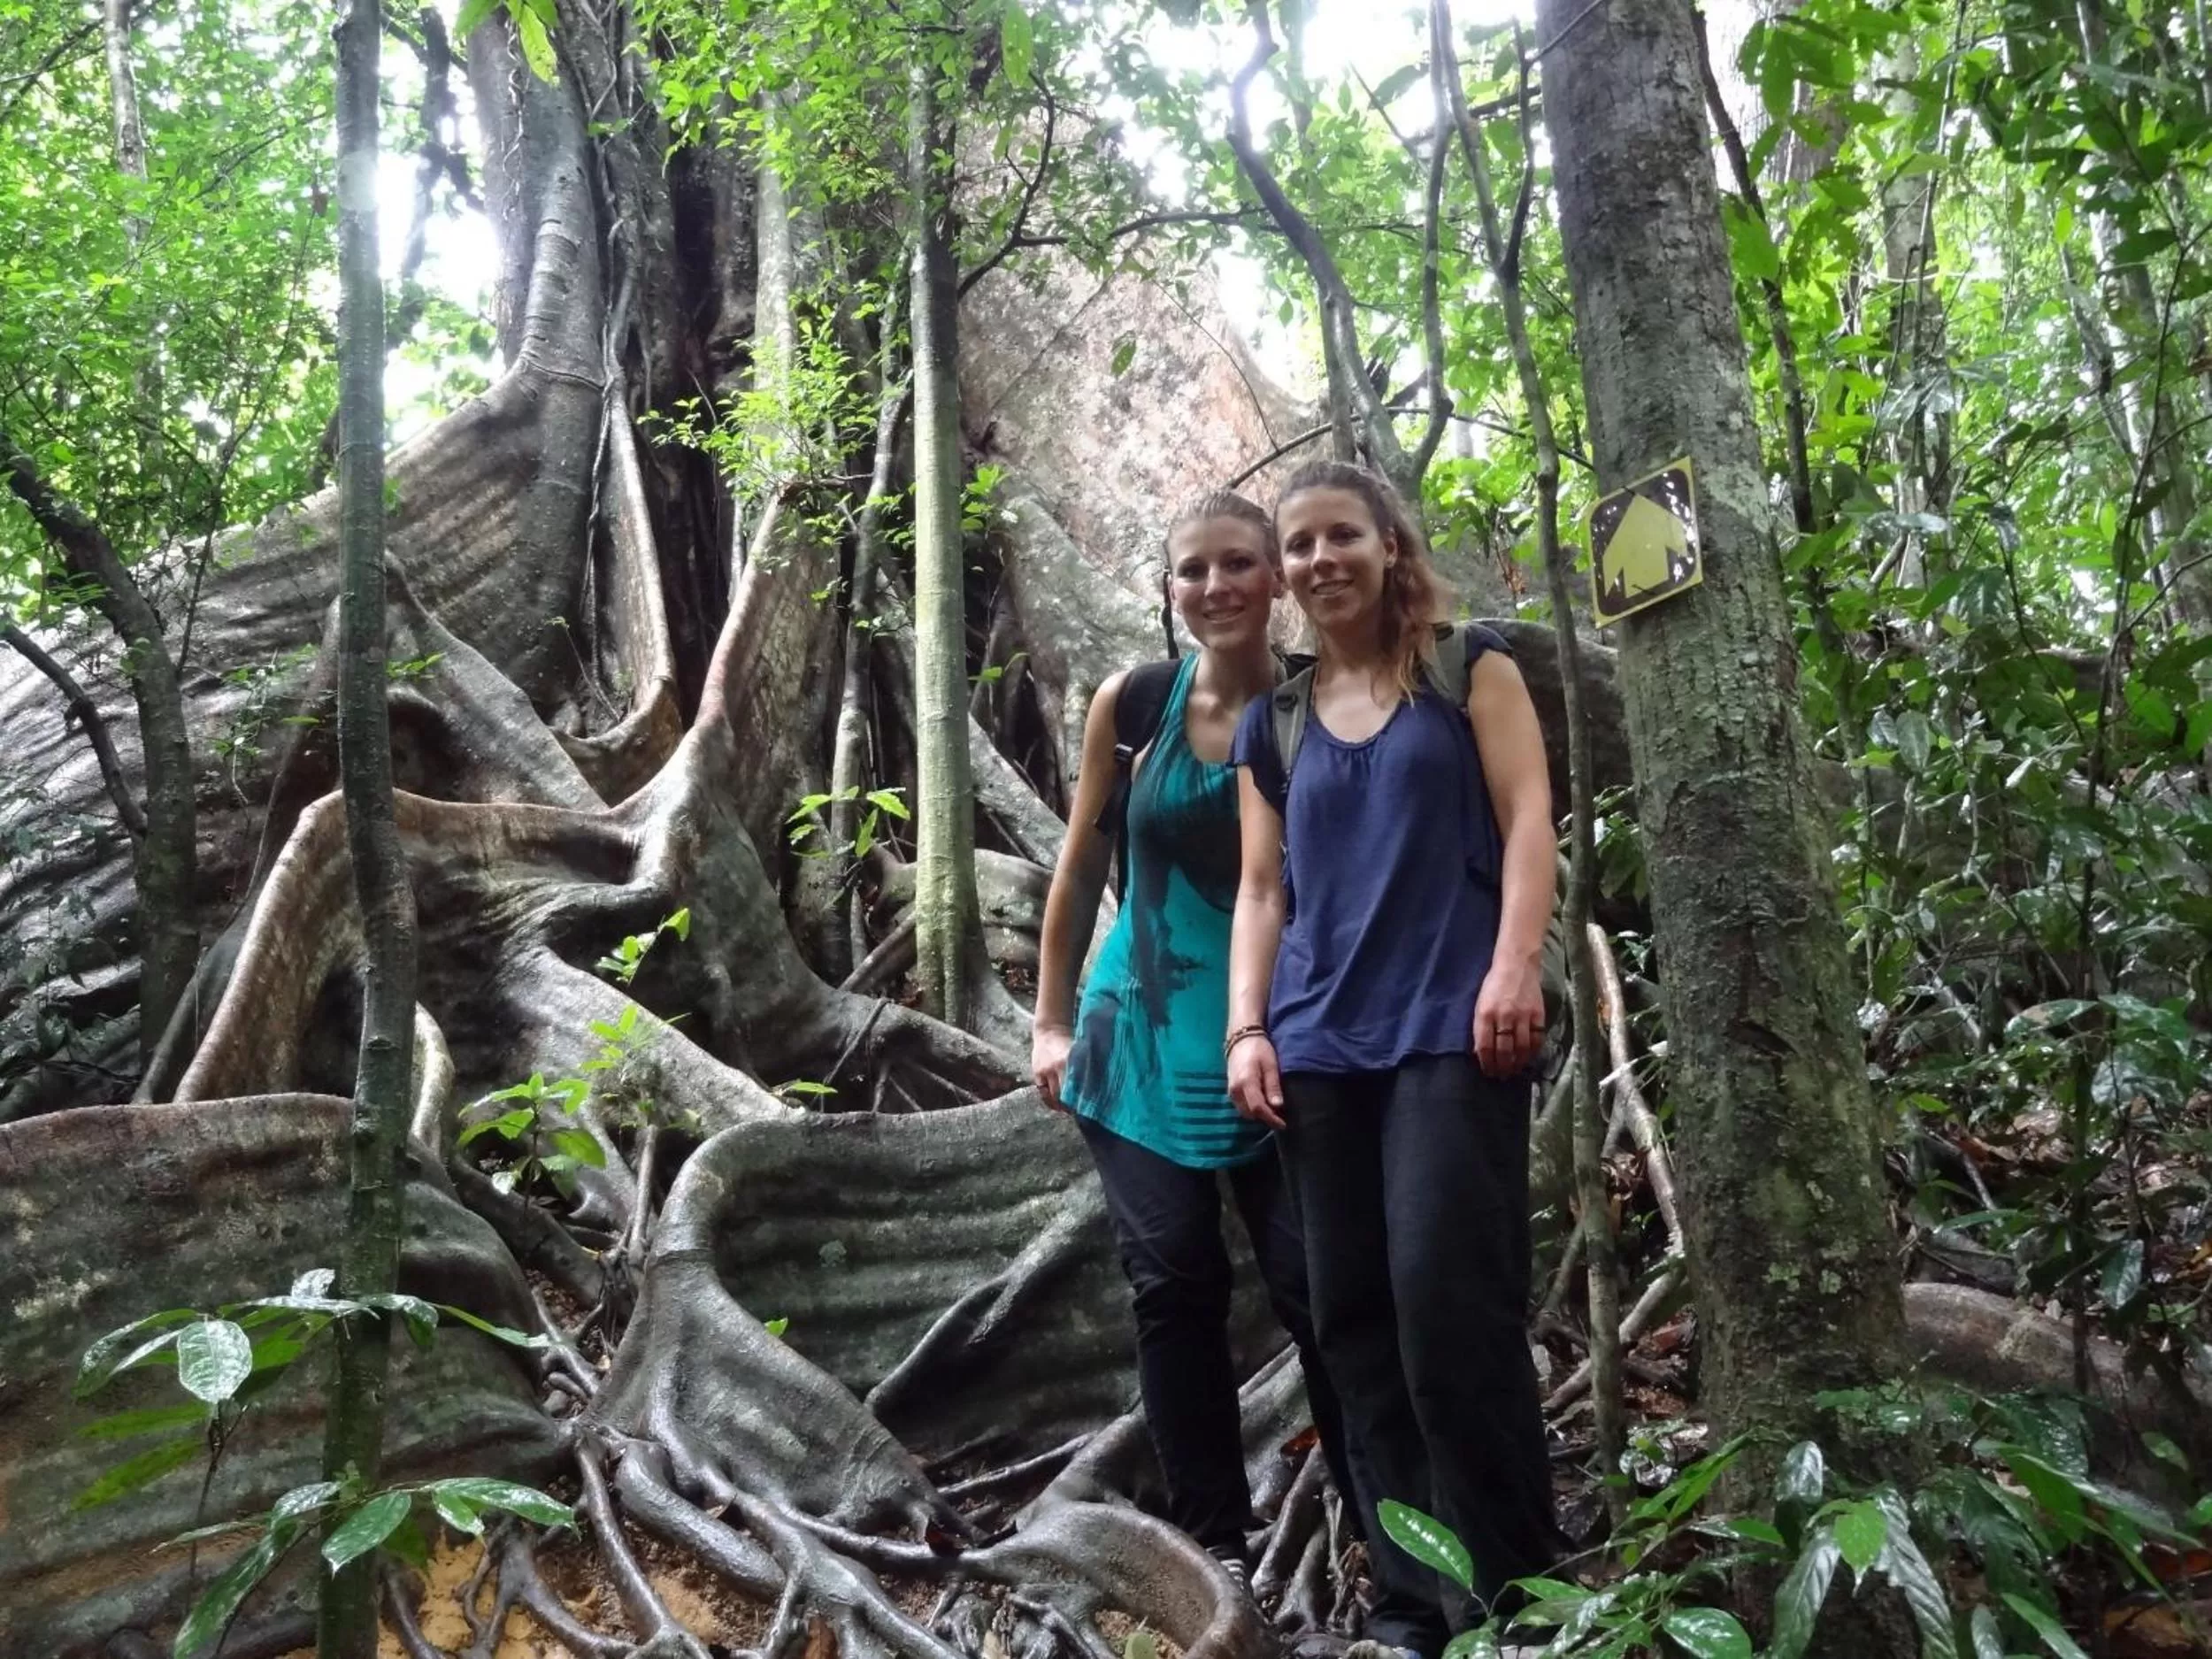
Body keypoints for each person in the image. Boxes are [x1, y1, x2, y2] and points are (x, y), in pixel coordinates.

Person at [1225, 460, 1560, 1655]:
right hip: (1320, 1043)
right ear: (1285, 574)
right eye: (1300, 544)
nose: (1321, 559)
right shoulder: (1276, 720)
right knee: (1355, 1321)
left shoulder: (1471, 668)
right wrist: (1246, 1027)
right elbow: (1261, 890)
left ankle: (1514, 1593)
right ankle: (1414, 1599)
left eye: (1341, 536)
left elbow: (1529, 819)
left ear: (1387, 546)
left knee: (1446, 1305)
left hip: (1451, 1028)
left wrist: (1514, 966)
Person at [1032, 489, 1352, 1586]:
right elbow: (1082, 862)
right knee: (1173, 1283)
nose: (1214, 586)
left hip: (1280, 1037)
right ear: (1168, 589)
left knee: (1316, 1284)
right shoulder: (1133, 704)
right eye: (1192, 569)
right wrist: (1050, 1020)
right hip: (1136, 1033)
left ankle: (1379, 1518)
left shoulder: (1320, 704)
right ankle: (1213, 1542)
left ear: (1276, 577)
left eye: (1237, 563)